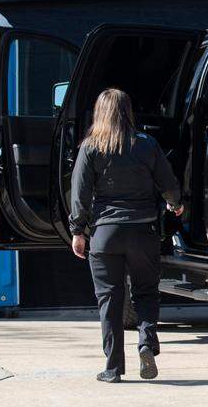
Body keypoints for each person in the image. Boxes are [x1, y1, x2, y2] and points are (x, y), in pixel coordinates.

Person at [69, 88, 184, 383]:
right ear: (127, 111)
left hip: (106, 233)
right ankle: (146, 341)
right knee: (145, 291)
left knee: (109, 298)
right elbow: (167, 181)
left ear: (100, 112)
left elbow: (80, 194)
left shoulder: (91, 147)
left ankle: (113, 367)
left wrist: (78, 230)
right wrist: (175, 202)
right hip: (143, 231)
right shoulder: (146, 144)